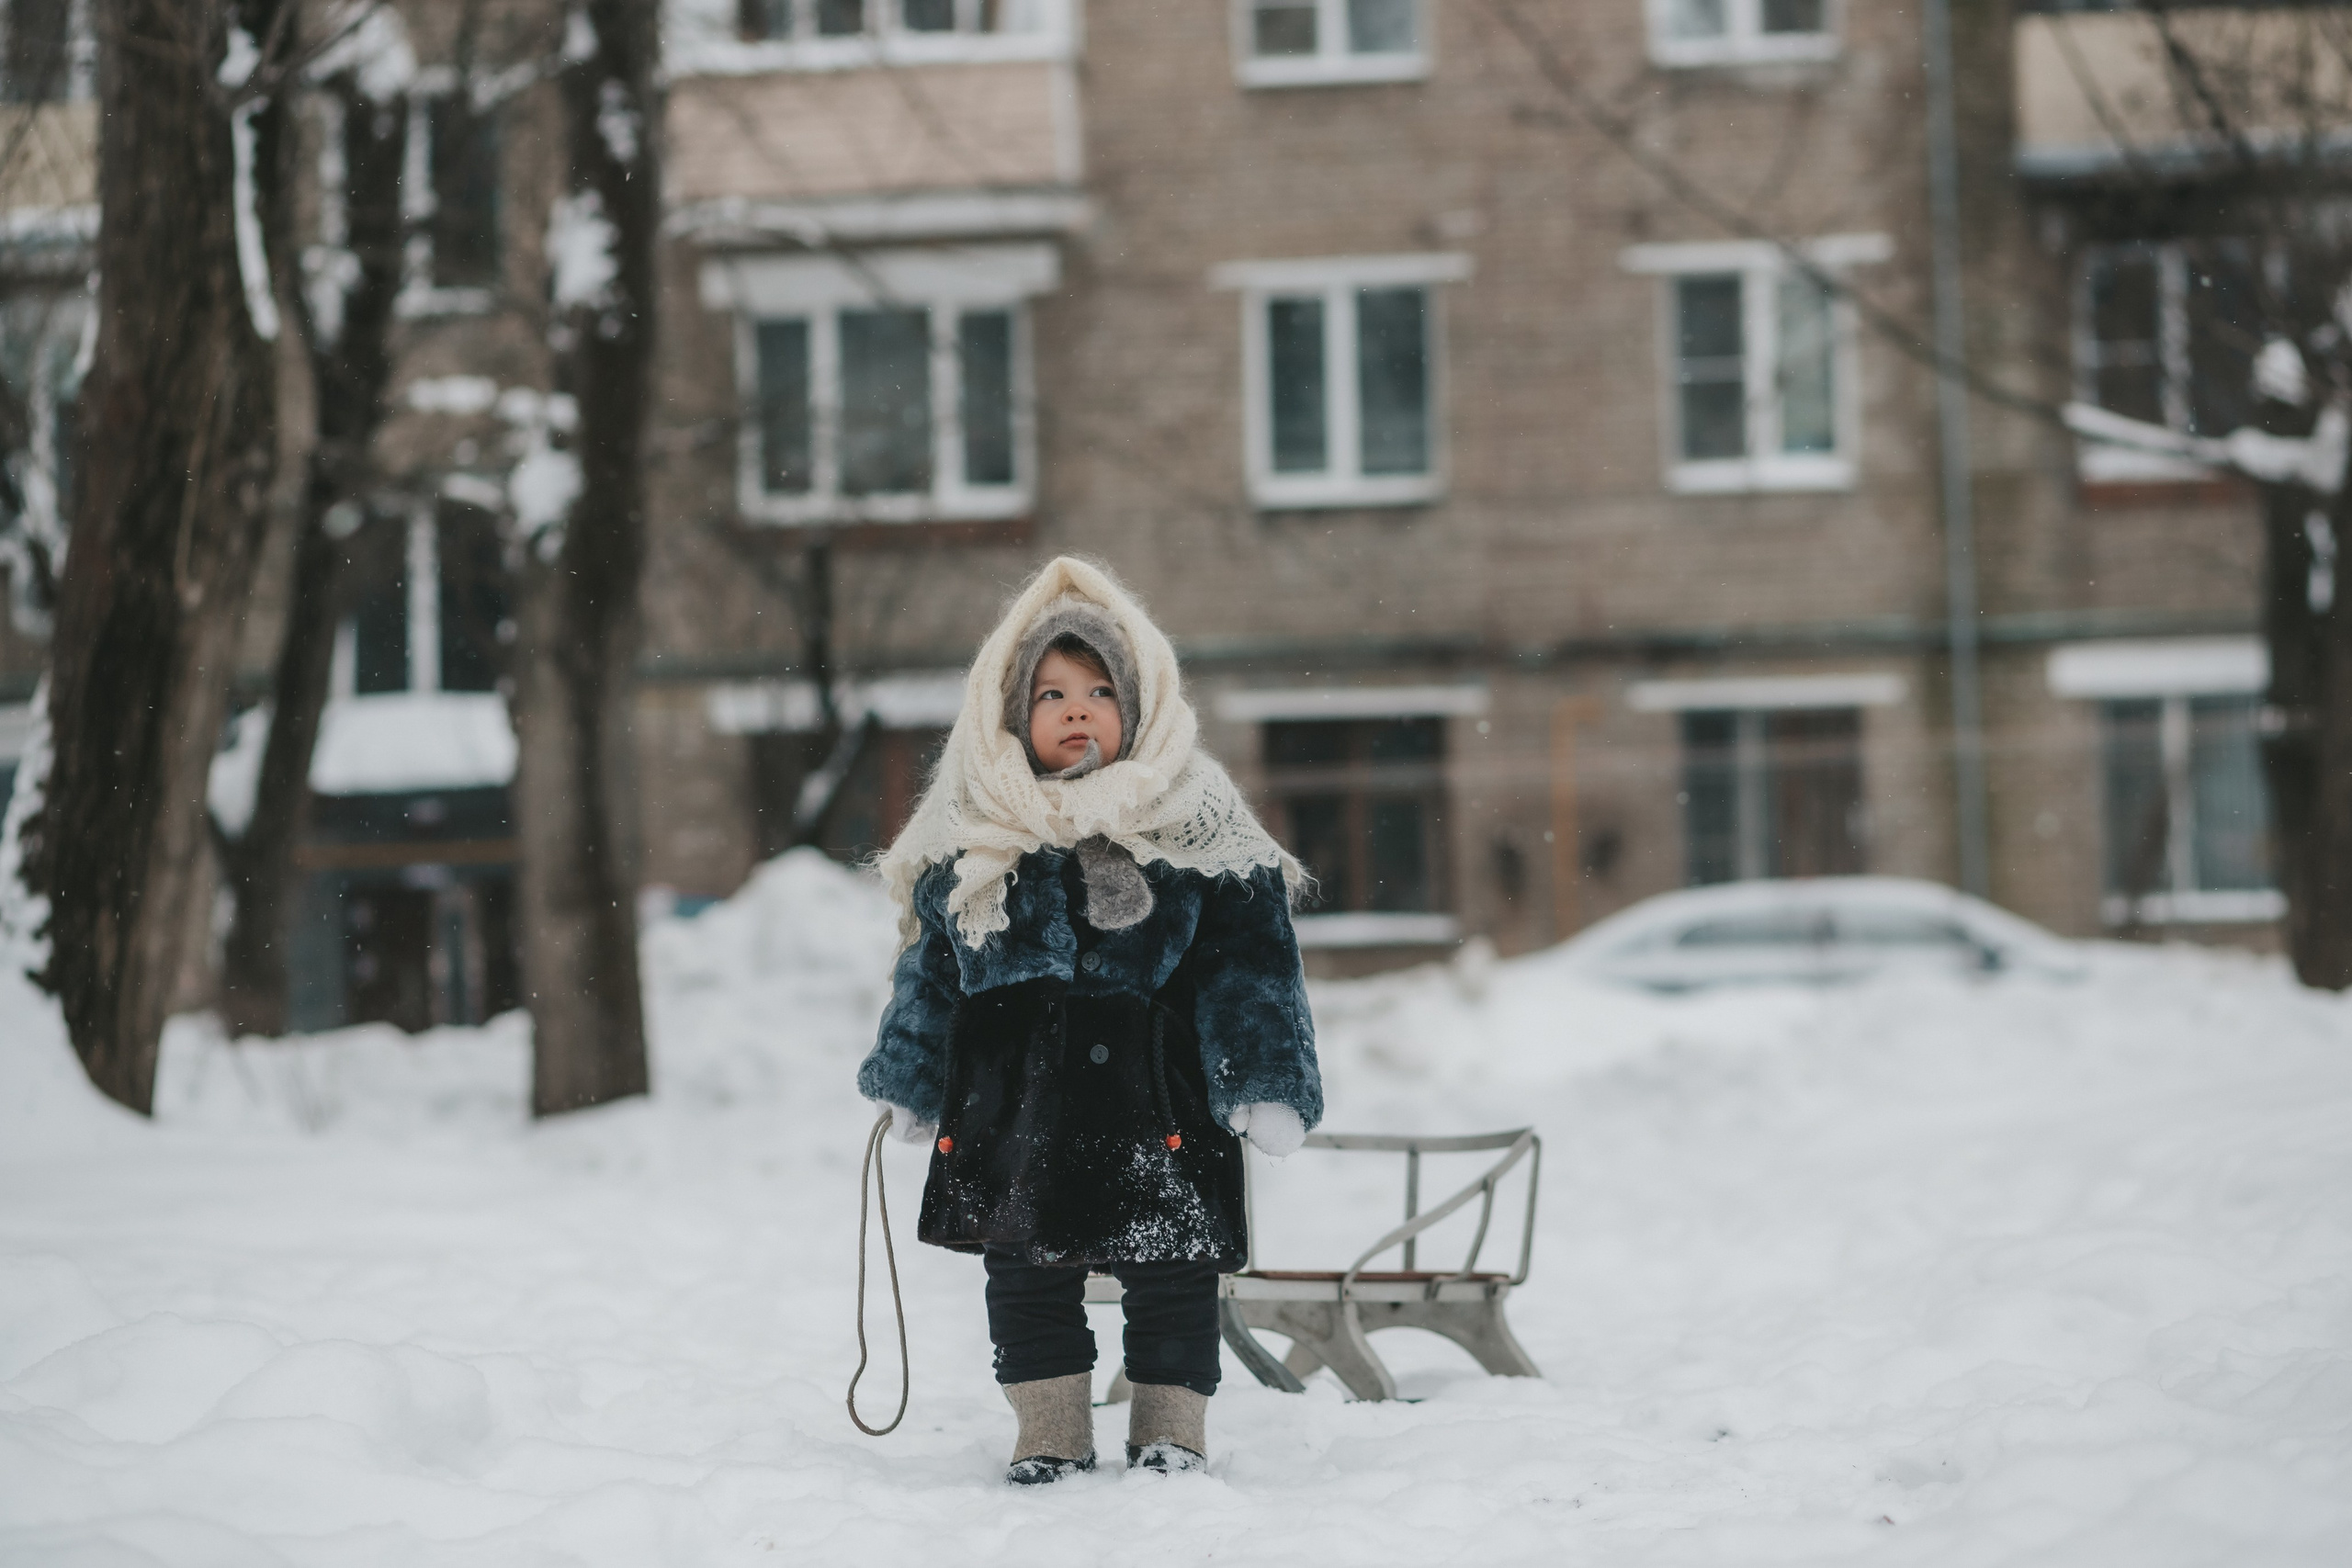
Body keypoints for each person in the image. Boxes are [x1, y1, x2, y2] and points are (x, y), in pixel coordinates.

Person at [858, 556, 1322, 1483]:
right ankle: (1050, 1429)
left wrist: (1264, 1082)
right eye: (1052, 693)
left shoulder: (1195, 830)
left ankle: (1170, 1427)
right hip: (1014, 1106)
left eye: (1101, 690)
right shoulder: (980, 842)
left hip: (1160, 1101)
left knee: (1173, 1271)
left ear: (1140, 704)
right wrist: (910, 1081)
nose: (1078, 709)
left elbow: (1251, 967)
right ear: (1009, 716)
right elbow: (932, 974)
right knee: (1023, 1274)